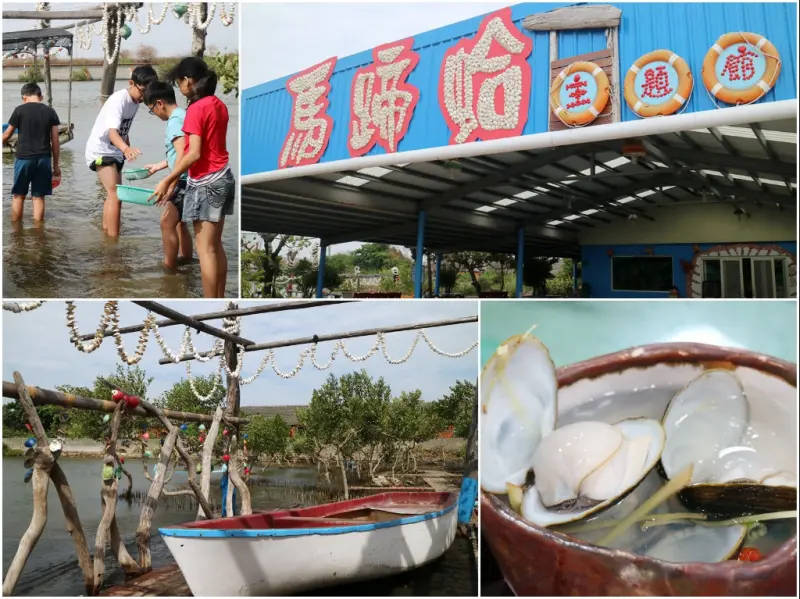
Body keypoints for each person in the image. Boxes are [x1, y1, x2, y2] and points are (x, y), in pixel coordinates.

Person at [149, 57, 235, 298]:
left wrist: (168, 179)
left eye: (179, 83)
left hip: (206, 182)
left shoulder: (196, 109)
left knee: (205, 250)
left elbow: (193, 153)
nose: (180, 89)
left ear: (187, 81)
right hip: (224, 177)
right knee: (215, 246)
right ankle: (217, 297)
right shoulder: (218, 104)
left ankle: (210, 302)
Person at [85, 65, 158, 238]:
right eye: (142, 91)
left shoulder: (135, 102)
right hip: (101, 151)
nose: (144, 96)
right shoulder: (119, 99)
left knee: (115, 196)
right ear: (131, 83)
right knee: (115, 195)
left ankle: (106, 233)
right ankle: (113, 242)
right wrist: (126, 148)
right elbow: (112, 131)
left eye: (148, 93)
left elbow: (123, 130)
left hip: (114, 151)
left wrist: (126, 149)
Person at [143, 81, 193, 271]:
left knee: (166, 222)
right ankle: (186, 259)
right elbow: (180, 152)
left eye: (151, 110)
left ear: (159, 103)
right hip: (187, 176)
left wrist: (170, 182)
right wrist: (159, 165)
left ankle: (170, 269)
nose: (154, 114)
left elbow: (182, 153)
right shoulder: (183, 115)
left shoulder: (174, 121)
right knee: (180, 222)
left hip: (182, 178)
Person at [2, 83, 61, 222]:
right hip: (44, 159)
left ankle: (17, 231)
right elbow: (55, 141)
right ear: (40, 96)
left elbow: (7, 135)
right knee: (38, 196)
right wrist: (56, 165)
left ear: (24, 97)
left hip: (24, 158)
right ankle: (39, 233)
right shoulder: (50, 112)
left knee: (19, 195)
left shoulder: (19, 110)